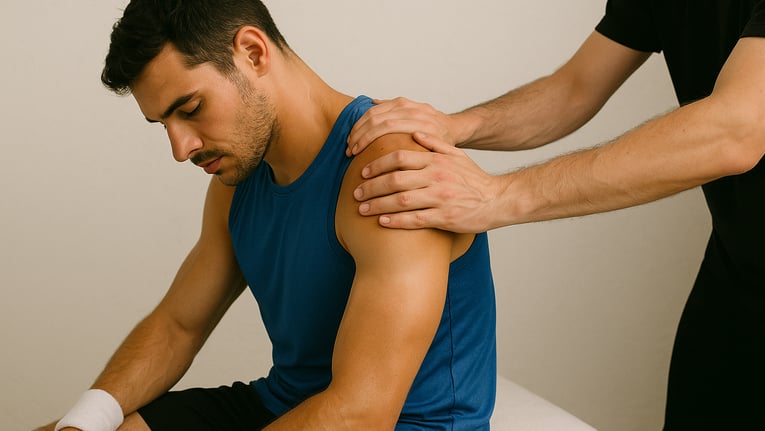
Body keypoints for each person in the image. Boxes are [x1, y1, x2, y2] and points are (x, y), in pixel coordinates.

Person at [35, 1, 496, 430]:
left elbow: (362, 411)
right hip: (283, 407)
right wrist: (83, 422)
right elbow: (178, 326)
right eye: (165, 125)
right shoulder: (236, 182)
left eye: (191, 109)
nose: (181, 149)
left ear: (253, 53)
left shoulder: (391, 171)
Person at [346, 1, 765, 430]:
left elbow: (737, 128)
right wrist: (455, 126)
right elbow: (574, 89)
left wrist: (498, 196)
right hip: (739, 268)